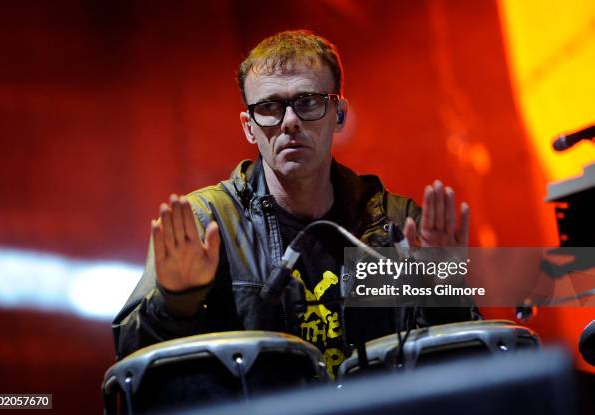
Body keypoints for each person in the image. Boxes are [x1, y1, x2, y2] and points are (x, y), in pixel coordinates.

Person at [113, 30, 478, 378]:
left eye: (307, 102)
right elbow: (132, 362)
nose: (289, 122)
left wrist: (445, 292)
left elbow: (467, 365)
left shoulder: (395, 223)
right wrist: (177, 303)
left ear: (339, 114)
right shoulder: (208, 222)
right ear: (248, 127)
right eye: (270, 107)